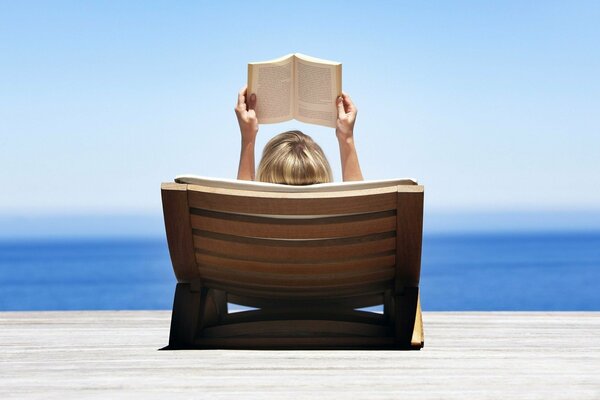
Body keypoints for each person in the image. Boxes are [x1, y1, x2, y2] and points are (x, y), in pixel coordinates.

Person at [235, 85, 363, 184]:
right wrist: (346, 138)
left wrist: (248, 139)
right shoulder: (343, 215)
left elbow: (242, 200)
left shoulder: (252, 214)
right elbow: (358, 203)